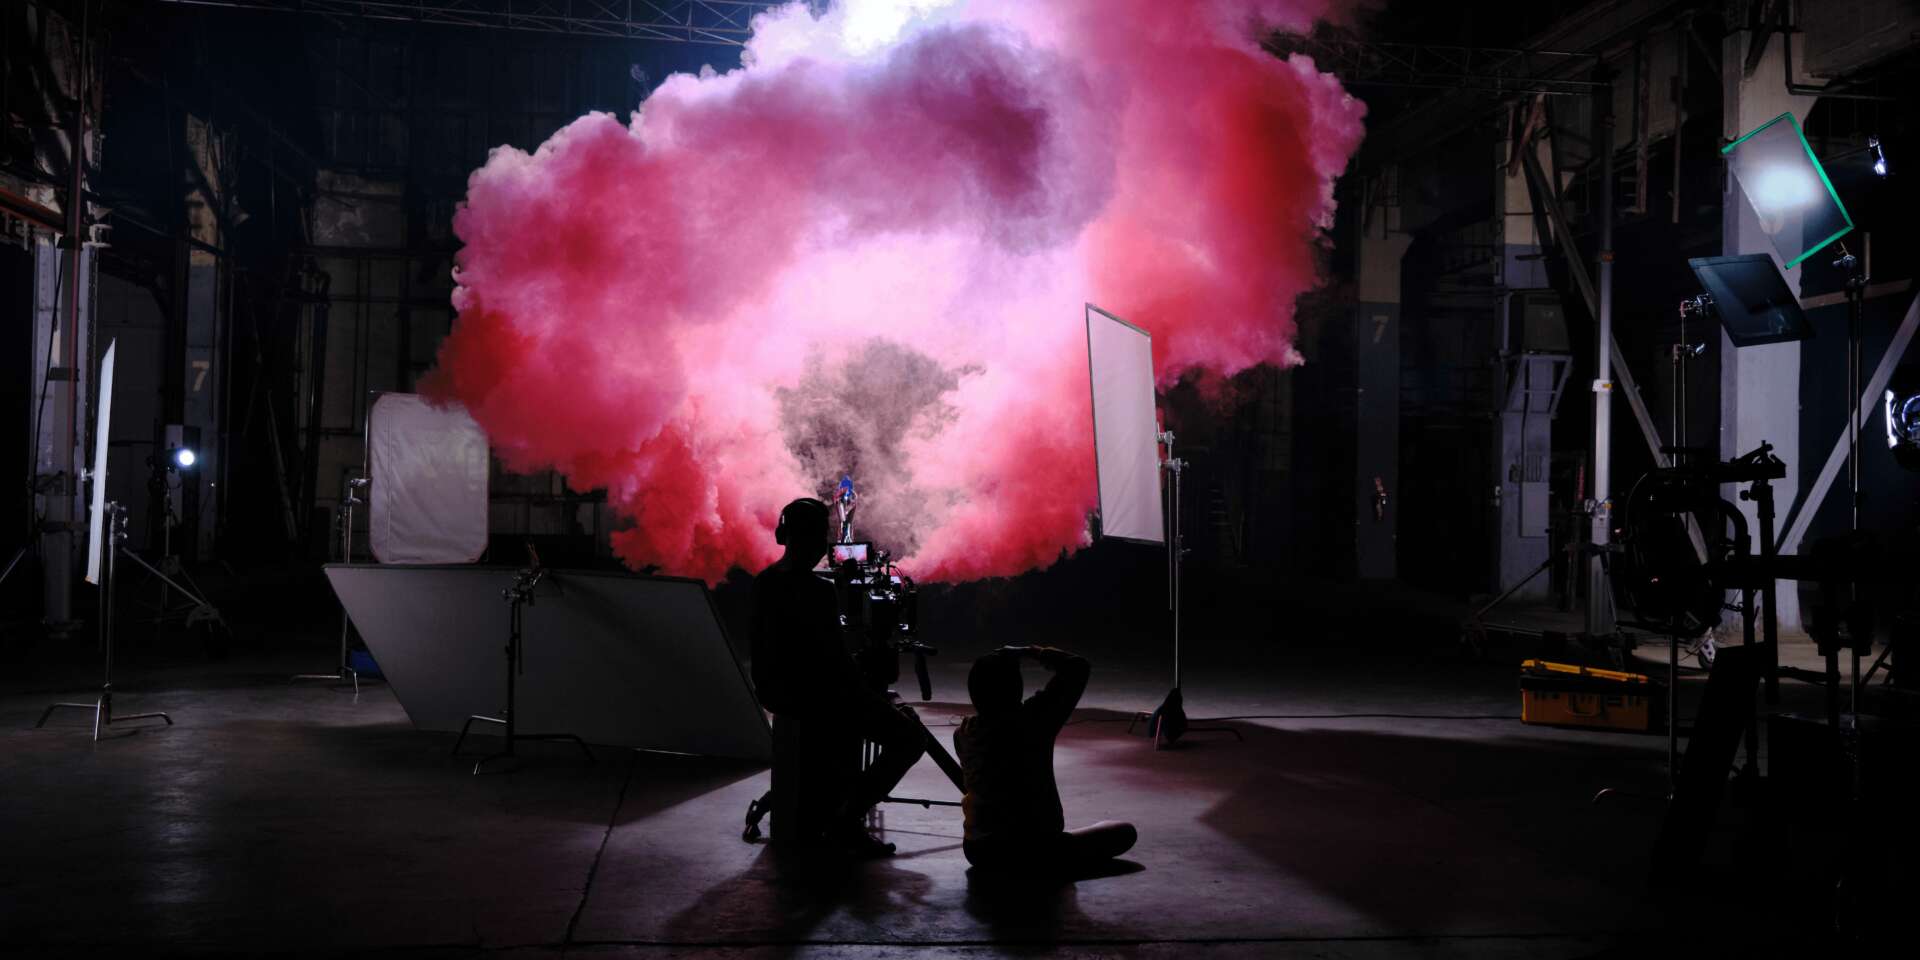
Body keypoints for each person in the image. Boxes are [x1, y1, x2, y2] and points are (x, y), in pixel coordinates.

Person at [750, 497, 925, 856]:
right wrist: (876, 699)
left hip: (775, 690)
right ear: (816, 541)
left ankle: (829, 803)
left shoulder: (763, 582)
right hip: (816, 697)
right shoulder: (819, 591)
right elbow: (837, 665)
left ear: (783, 535)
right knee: (909, 738)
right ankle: (847, 820)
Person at [955, 644, 1137, 875]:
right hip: (1032, 849)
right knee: (1124, 832)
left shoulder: (963, 734)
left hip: (977, 850)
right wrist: (1029, 651)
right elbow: (1077, 667)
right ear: (1016, 689)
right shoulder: (1032, 722)